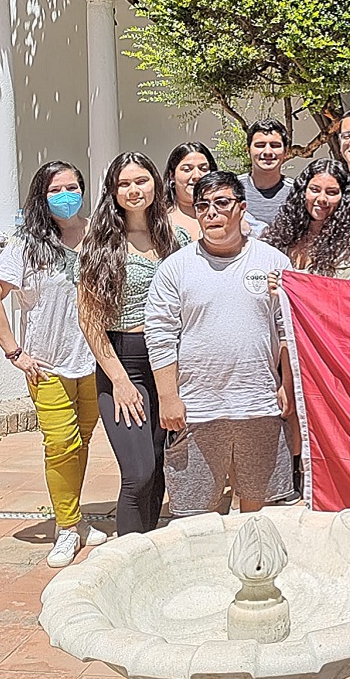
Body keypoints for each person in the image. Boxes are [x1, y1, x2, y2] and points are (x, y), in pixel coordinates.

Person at [145, 171, 297, 517]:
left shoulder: (274, 262)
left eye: (222, 203)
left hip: (258, 404)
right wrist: (169, 397)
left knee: (258, 511)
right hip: (198, 408)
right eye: (203, 206)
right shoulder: (175, 268)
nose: (211, 212)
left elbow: (286, 328)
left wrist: (287, 385)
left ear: (241, 208)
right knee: (197, 514)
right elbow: (160, 335)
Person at [0, 161, 106, 567]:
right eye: (56, 190)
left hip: (94, 361)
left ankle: (74, 517)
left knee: (81, 443)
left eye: (72, 187)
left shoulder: (98, 234)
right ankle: (67, 528)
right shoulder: (26, 244)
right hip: (47, 364)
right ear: (41, 195)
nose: (66, 195)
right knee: (60, 444)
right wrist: (15, 353)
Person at [78, 152, 190, 535]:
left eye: (141, 180)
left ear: (156, 183)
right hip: (123, 363)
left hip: (169, 364)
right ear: (113, 191)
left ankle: (147, 555)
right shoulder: (100, 244)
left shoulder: (179, 238)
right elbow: (89, 321)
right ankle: (124, 557)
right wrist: (122, 382)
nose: (133, 190)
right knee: (138, 472)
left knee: (159, 467)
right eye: (124, 183)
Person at [261, 159, 350, 276]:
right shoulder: (282, 233)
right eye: (315, 190)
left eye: (331, 192)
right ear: (303, 191)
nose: (321, 199)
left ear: (344, 197)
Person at [237, 119, 294, 237]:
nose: (268, 151)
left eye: (275, 145)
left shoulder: (296, 192)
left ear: (286, 152)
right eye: (260, 145)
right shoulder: (232, 189)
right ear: (248, 150)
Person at [164, 142, 217, 241]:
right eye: (187, 169)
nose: (197, 176)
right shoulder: (161, 221)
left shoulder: (226, 213)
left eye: (203, 169)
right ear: (172, 175)